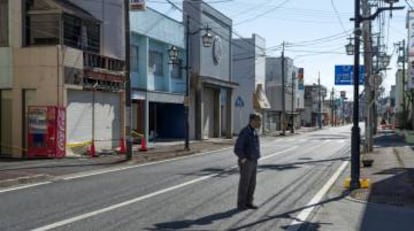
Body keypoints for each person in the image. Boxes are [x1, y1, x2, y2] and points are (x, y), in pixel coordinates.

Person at [234, 113, 261, 210]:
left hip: (254, 161)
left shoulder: (254, 131)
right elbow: (237, 148)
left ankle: (249, 202)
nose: (260, 123)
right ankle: (241, 204)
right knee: (244, 183)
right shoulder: (245, 132)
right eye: (258, 120)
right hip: (247, 161)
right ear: (252, 121)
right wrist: (243, 159)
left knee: (252, 183)